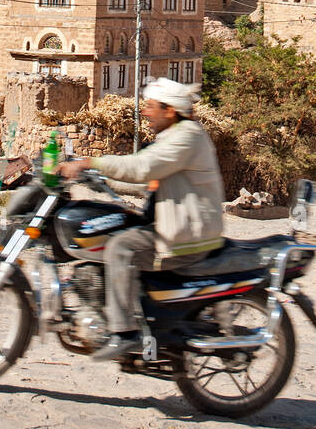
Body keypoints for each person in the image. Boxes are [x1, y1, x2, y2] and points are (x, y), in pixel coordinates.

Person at [58, 77, 225, 361]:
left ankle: (123, 333)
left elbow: (143, 167)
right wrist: (98, 178)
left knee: (120, 248)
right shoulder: (175, 135)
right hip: (174, 224)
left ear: (169, 110)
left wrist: (91, 162)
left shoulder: (186, 137)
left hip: (186, 233)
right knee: (119, 228)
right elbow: (146, 181)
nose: (145, 112)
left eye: (150, 106)